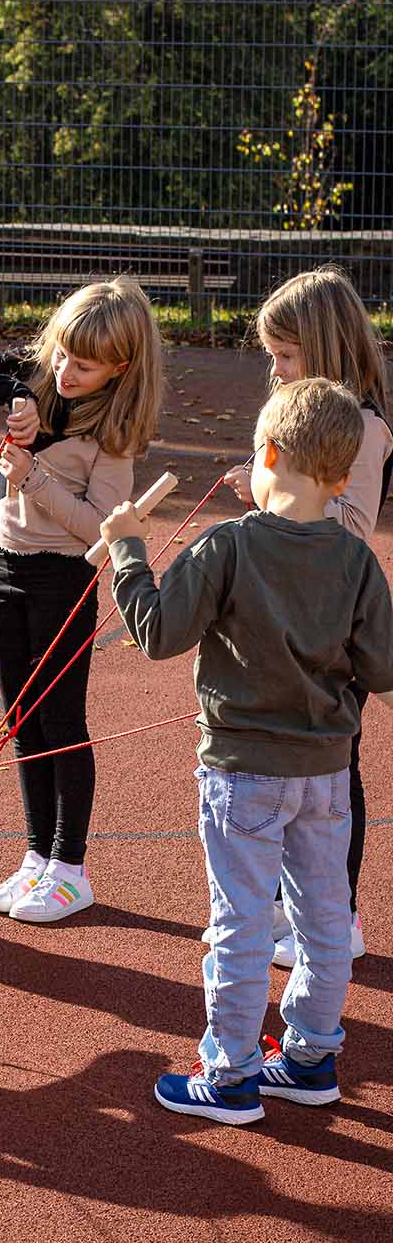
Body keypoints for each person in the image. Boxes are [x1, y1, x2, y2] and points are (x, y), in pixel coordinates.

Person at [102, 377, 393, 1124]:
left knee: (241, 923)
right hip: (327, 773)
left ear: (267, 454)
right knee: (324, 922)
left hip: (244, 773)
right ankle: (311, 1058)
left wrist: (127, 550)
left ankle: (230, 1071)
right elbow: (383, 668)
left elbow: (158, 633)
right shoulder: (356, 559)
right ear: (342, 478)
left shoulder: (228, 545)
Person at [0, 278, 164, 922]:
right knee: (20, 720)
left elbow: (100, 529)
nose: (65, 371)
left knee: (60, 724)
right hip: (3, 567)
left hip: (61, 579)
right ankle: (36, 856)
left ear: (120, 367)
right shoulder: (39, 377)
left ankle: (70, 868)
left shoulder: (114, 432)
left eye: (84, 365)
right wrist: (18, 395)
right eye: (61, 354)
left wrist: (32, 476)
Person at [221, 266, 390, 966]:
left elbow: (349, 526)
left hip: (331, 622)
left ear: (322, 347)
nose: (276, 369)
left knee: (332, 770)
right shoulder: (303, 418)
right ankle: (287, 907)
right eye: (272, 355)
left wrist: (268, 496)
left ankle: (337, 916)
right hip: (290, 613)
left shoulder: (364, 428)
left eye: (286, 355)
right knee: (289, 766)